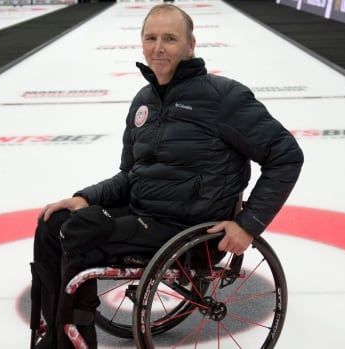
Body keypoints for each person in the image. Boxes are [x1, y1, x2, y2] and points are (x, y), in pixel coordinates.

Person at [30, 4, 304, 349]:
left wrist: (248, 225)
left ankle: (74, 341)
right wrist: (85, 197)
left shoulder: (224, 97)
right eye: (151, 38)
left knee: (82, 230)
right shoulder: (144, 102)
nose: (159, 47)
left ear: (190, 45)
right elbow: (130, 177)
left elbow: (286, 156)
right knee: (53, 222)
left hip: (191, 229)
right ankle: (56, 333)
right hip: (145, 218)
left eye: (170, 39)